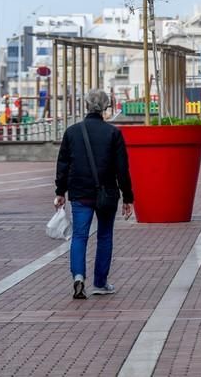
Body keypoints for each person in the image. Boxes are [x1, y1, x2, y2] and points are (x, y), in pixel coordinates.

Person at [55, 89, 134, 299]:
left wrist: (60, 191)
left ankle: (78, 276)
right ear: (106, 108)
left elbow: (63, 164)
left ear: (86, 106)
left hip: (80, 193)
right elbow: (122, 168)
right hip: (106, 193)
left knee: (79, 236)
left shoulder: (72, 132)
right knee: (104, 236)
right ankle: (100, 282)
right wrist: (128, 198)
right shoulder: (113, 133)